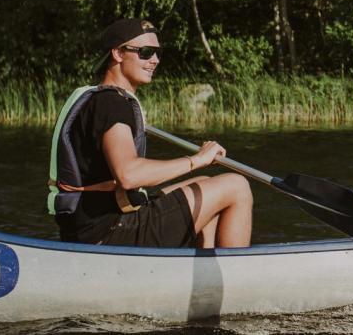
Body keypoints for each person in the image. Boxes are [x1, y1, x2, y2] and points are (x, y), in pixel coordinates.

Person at [47, 18, 254, 247]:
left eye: (157, 53)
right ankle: (233, 275)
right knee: (236, 186)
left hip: (90, 229)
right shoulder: (113, 104)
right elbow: (129, 175)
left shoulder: (99, 99)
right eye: (145, 52)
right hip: (110, 234)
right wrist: (196, 160)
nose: (154, 60)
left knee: (205, 186)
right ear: (117, 53)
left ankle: (202, 271)